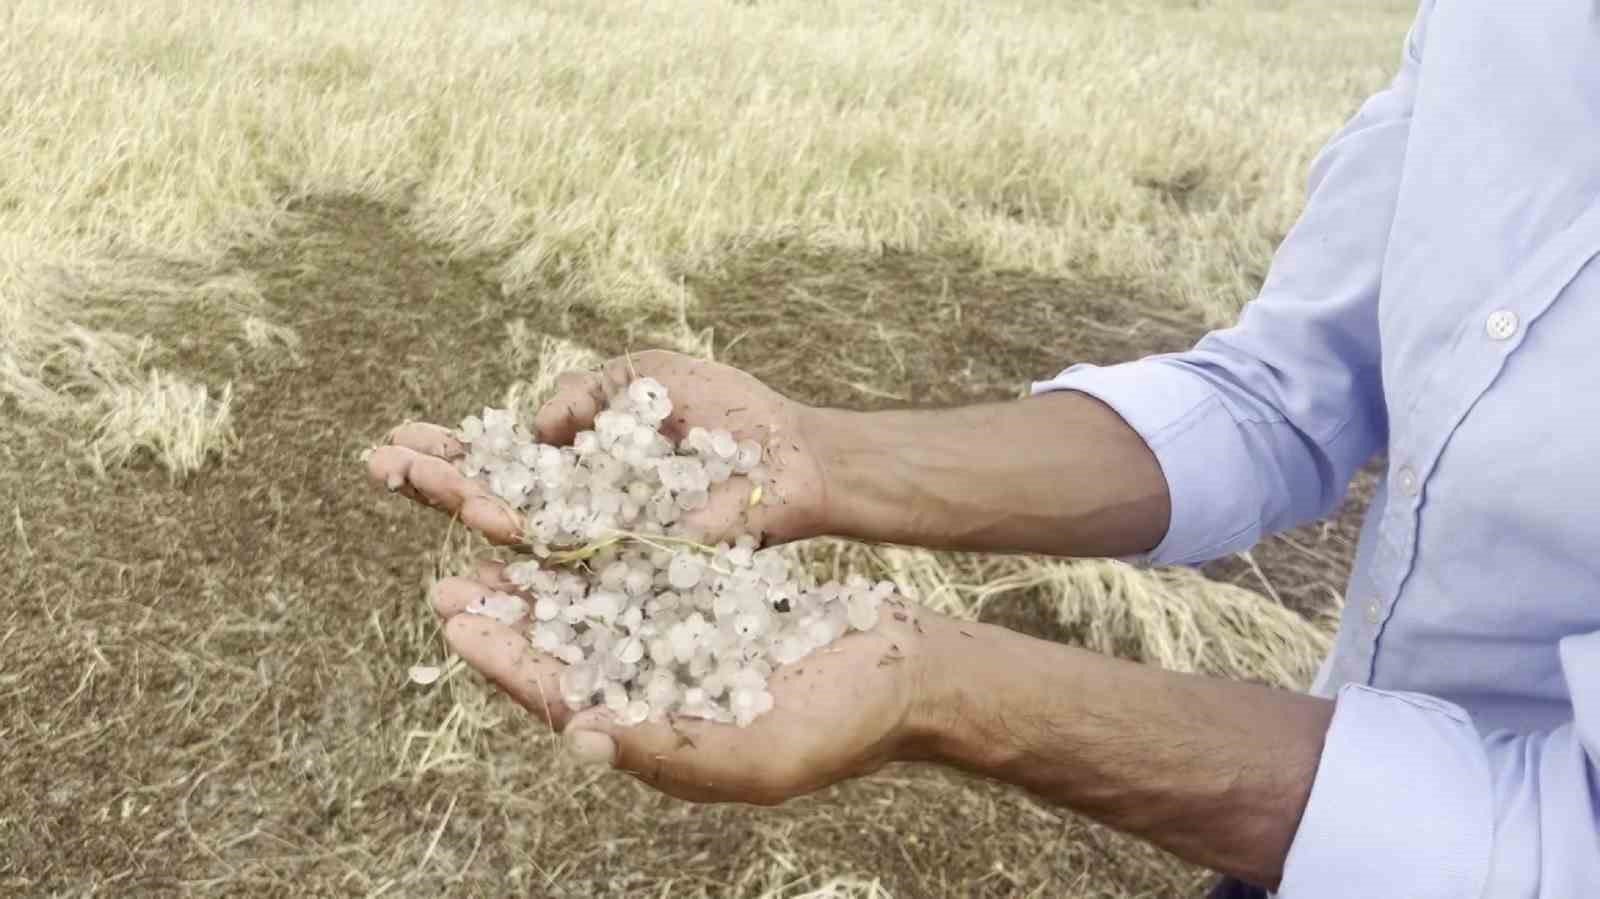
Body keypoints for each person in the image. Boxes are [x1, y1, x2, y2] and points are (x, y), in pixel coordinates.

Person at [367, 2, 1600, 894]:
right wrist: (818, 454)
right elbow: (1279, 395)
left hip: (1367, 830)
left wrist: (941, 683)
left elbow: (1561, 837)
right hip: (1286, 842)